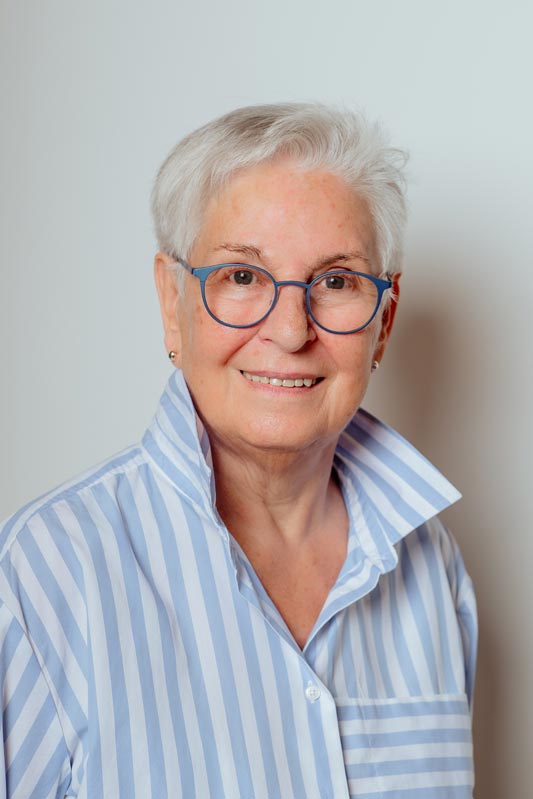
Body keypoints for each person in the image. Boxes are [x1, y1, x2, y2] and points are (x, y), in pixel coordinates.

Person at [0, 103, 476, 799]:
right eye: (243, 276)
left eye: (336, 281)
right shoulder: (40, 578)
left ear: (384, 320)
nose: (290, 330)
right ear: (172, 303)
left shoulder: (432, 566)